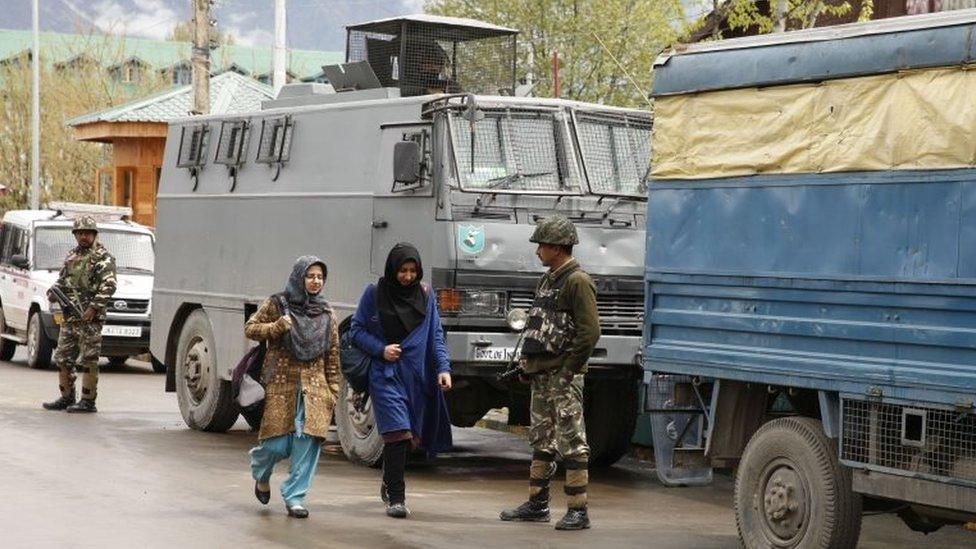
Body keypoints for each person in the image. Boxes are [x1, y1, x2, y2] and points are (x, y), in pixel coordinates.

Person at [500, 215, 600, 531]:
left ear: (556, 247)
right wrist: (530, 366)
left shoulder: (577, 282)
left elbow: (590, 332)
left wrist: (569, 371)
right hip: (544, 376)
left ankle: (578, 510)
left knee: (572, 440)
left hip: (563, 377)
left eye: (541, 245)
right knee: (541, 439)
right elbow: (541, 327)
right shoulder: (549, 279)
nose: (537, 251)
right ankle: (537, 504)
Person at [349, 242, 453, 518]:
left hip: (417, 378)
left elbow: (435, 336)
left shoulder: (426, 295)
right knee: (397, 433)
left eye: (412, 270)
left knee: (410, 438)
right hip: (385, 375)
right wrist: (380, 349)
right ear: (392, 269)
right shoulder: (374, 294)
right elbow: (356, 331)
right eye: (402, 271)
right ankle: (397, 497)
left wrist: (443, 368)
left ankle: (387, 479)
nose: (407, 276)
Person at [244, 256, 339, 519]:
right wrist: (275, 328)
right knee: (276, 445)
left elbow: (333, 353)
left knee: (307, 446)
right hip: (282, 385)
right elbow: (250, 328)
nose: (315, 281)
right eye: (310, 276)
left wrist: (334, 391)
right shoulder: (278, 303)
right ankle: (261, 474)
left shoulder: (327, 312)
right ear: (299, 277)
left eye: (320, 276)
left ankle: (295, 497)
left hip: (316, 389)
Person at [42, 216, 117, 414]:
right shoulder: (72, 255)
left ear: (94, 234)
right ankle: (67, 397)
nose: (84, 236)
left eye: (88, 233)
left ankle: (88, 400)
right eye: (80, 233)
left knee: (90, 359)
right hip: (70, 316)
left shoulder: (103, 257)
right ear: (75, 235)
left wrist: (93, 308)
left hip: (90, 319)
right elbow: (62, 280)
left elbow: (109, 285)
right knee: (62, 358)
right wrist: (54, 293)